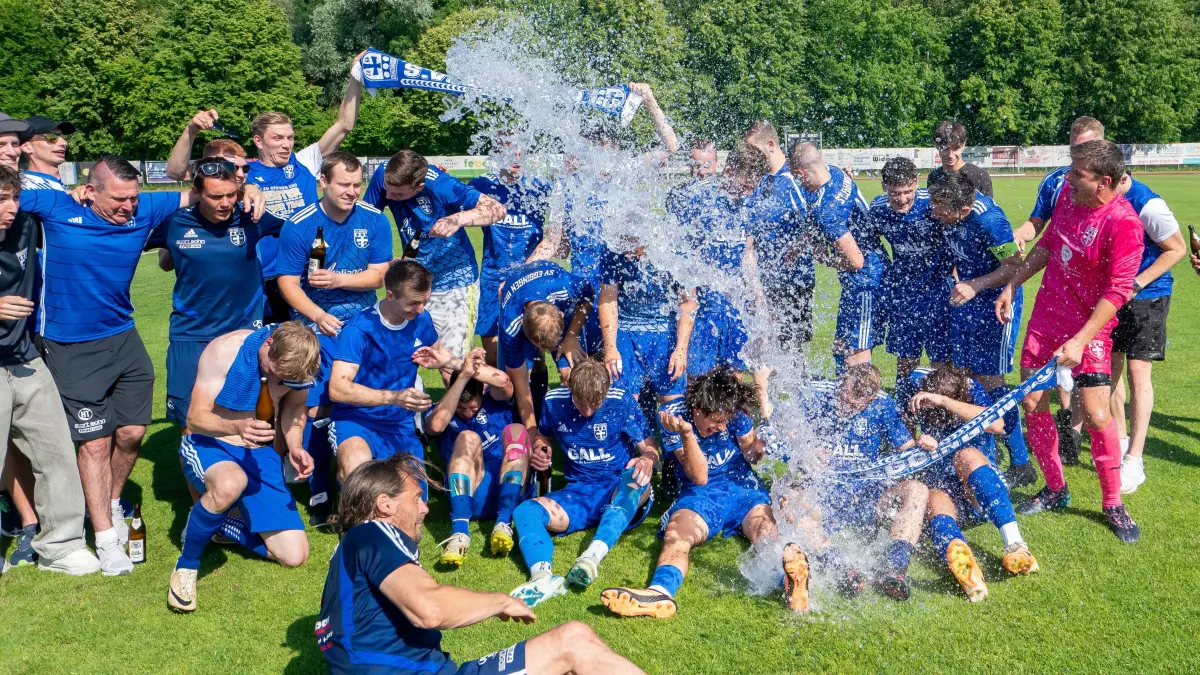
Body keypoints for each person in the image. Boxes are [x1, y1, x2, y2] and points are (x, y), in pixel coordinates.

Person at [18, 156, 263, 575]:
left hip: (124, 336)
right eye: (119, 199)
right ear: (89, 191)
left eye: (133, 198)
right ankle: (107, 540)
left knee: (131, 433)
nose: (129, 208)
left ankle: (112, 505)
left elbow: (202, 192)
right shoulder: (56, 206)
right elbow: (9, 200)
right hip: (69, 342)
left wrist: (251, 189)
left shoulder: (147, 208)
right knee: (95, 442)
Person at [316, 453, 646, 675]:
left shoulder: (346, 558)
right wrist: (501, 600)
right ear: (385, 505)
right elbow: (429, 608)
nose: (425, 510)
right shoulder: (373, 533)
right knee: (574, 642)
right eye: (416, 498)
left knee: (576, 636)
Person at [995, 139, 1145, 543]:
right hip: (1046, 320)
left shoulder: (1124, 224)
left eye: (1078, 172)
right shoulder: (1066, 196)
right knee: (1032, 401)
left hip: (1091, 330)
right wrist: (1012, 283)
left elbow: (1116, 293)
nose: (1068, 176)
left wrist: (1080, 340)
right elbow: (1046, 246)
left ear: (1104, 181)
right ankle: (1056, 489)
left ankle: (1113, 502)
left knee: (1097, 415)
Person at [166, 55, 364, 324]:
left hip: (309, 273)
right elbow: (176, 172)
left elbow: (345, 125)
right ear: (258, 141)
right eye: (278, 138)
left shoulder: (304, 162)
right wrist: (191, 131)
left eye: (290, 137)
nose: (287, 144)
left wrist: (355, 76)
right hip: (266, 279)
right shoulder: (239, 173)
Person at [601, 368, 811, 618]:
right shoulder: (673, 417)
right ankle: (659, 592)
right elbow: (699, 476)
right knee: (676, 535)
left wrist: (759, 445)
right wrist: (687, 433)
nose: (722, 428)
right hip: (701, 493)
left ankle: (790, 584)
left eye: (725, 421)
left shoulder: (735, 412)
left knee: (765, 531)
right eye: (716, 422)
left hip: (742, 488)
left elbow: (750, 456)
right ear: (697, 412)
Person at [169, 321, 320, 612]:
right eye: (273, 371)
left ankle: (214, 518)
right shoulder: (224, 351)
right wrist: (236, 425)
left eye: (285, 378)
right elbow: (194, 418)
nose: (276, 380)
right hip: (209, 442)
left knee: (294, 556)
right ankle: (186, 567)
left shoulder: (301, 364)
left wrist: (296, 446)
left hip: (258, 451)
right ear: (268, 343)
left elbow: (293, 407)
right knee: (230, 483)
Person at [277, 151, 392, 525]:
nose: (352, 191)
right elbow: (287, 283)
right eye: (344, 184)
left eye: (357, 184)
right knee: (315, 406)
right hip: (315, 326)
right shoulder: (300, 225)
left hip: (361, 325)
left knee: (358, 401)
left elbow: (379, 275)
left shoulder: (374, 220)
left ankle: (362, 486)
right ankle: (319, 493)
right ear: (323, 182)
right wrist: (318, 315)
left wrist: (340, 280)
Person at [0, 166, 100, 575]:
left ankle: (60, 546)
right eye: (0, 202)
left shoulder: (24, 223)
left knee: (55, 450)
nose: (10, 209)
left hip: (24, 358)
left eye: (13, 199)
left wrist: (77, 192)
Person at [328, 261, 509, 484]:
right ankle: (344, 490)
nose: (422, 309)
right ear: (391, 295)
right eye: (414, 302)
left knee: (412, 501)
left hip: (400, 424)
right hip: (357, 419)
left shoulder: (421, 319)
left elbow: (449, 363)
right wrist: (394, 397)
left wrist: (458, 365)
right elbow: (338, 389)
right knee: (358, 471)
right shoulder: (358, 330)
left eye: (426, 301)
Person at [146, 159, 286, 436]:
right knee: (190, 421)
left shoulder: (252, 218)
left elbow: (300, 233)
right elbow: (120, 229)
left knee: (247, 414)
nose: (225, 203)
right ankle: (196, 475)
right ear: (196, 194)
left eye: (230, 195)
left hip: (244, 334)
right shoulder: (174, 222)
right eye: (215, 196)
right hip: (191, 334)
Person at [509, 360, 659, 606]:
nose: (588, 412)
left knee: (635, 477)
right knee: (525, 510)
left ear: (606, 391)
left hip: (618, 487)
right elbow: (544, 436)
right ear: (570, 388)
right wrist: (541, 449)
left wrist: (647, 460)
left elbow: (650, 446)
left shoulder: (620, 400)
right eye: (581, 404)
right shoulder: (553, 401)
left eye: (595, 405)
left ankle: (590, 559)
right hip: (577, 492)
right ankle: (542, 577)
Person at [928, 171, 1035, 487]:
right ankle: (980, 448)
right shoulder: (946, 208)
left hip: (997, 302)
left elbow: (1016, 266)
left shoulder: (990, 221)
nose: (932, 209)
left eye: (939, 205)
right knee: (965, 375)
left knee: (991, 380)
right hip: (968, 298)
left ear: (962, 209)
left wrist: (976, 284)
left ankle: (1021, 462)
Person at [1011, 117, 1107, 466]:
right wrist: (1021, 232)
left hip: (1101, 299)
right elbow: (1040, 224)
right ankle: (1068, 428)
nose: (1076, 154)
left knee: (1103, 378)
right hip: (1059, 293)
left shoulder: (1116, 185)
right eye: (1073, 147)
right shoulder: (1056, 181)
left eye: (1084, 148)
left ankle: (1091, 432)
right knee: (1054, 373)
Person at [908, 367, 1039, 603]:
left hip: (982, 494)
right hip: (950, 497)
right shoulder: (920, 388)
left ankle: (1016, 545)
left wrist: (945, 402)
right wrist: (917, 444)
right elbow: (903, 438)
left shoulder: (972, 388)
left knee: (966, 455)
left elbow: (997, 424)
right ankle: (966, 569)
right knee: (933, 497)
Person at [805, 364, 934, 600]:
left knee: (917, 489)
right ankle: (841, 568)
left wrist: (923, 447)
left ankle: (893, 568)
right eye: (843, 397)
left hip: (869, 495)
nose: (845, 406)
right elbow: (783, 429)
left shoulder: (883, 406)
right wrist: (805, 450)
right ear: (842, 382)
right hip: (823, 495)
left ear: (871, 398)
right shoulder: (817, 395)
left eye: (855, 405)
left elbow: (907, 451)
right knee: (790, 499)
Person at [365, 149, 506, 364]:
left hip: (454, 282)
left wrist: (458, 219)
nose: (389, 197)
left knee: (451, 363)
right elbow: (367, 219)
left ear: (419, 186)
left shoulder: (442, 185)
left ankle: (481, 393)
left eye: (398, 194)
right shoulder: (383, 175)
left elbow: (497, 209)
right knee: (396, 355)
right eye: (387, 190)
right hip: (412, 280)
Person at [1108, 176, 1187, 493]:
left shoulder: (1149, 205)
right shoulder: (1104, 199)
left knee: (1138, 373)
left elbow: (1177, 249)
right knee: (1108, 369)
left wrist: (1136, 283)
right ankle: (1119, 439)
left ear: (1119, 178)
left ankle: (1135, 460)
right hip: (1112, 296)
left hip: (1148, 296)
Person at [425, 347, 528, 566]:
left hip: (510, 484)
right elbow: (434, 425)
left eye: (473, 407)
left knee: (517, 430)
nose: (468, 413)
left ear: (482, 391)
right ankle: (460, 534)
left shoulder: (495, 401)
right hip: (470, 491)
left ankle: (503, 524)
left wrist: (458, 365)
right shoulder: (442, 410)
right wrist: (461, 378)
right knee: (467, 436)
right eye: (462, 408)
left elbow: (502, 380)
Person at [871, 158, 953, 417]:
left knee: (941, 365)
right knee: (905, 363)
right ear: (884, 186)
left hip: (939, 295)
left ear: (917, 184)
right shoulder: (878, 210)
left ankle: (943, 419)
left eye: (908, 191)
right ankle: (905, 421)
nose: (902, 199)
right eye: (895, 193)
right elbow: (869, 243)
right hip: (904, 298)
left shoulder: (934, 204)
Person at [789, 143, 877, 371]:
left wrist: (825, 260)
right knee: (840, 348)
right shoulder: (835, 172)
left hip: (865, 280)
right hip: (858, 280)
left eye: (798, 180)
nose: (800, 185)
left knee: (857, 353)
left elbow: (856, 262)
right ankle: (845, 399)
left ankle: (864, 403)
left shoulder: (827, 210)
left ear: (802, 173)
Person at [497, 259, 599, 445]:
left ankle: (579, 429)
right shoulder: (511, 328)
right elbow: (521, 389)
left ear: (560, 313)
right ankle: (533, 422)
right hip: (518, 301)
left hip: (548, 289)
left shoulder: (565, 287)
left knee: (572, 374)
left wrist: (570, 337)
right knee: (512, 386)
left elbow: (589, 294)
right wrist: (532, 432)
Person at [467, 151, 551, 366]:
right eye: (507, 149)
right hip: (492, 276)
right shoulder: (482, 186)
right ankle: (502, 396)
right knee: (493, 349)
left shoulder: (539, 187)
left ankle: (531, 399)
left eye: (520, 151)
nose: (515, 157)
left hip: (530, 278)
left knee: (533, 348)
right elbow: (451, 198)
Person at [742, 122, 813, 354]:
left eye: (754, 149)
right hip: (763, 279)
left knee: (789, 349)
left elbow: (815, 222)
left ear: (770, 145)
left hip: (792, 282)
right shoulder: (761, 181)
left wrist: (795, 249)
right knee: (762, 347)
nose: (751, 155)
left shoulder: (794, 180)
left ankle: (798, 390)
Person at [598, 242, 696, 406]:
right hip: (625, 331)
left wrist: (681, 349)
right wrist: (610, 347)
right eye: (628, 247)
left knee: (674, 404)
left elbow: (688, 303)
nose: (632, 253)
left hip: (665, 330)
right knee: (623, 401)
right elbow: (608, 299)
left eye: (636, 248)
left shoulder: (674, 248)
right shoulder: (613, 248)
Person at [927, 120, 993, 198]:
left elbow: (988, 208)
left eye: (955, 148)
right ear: (937, 145)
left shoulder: (979, 176)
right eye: (945, 149)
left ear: (963, 145)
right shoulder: (934, 176)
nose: (950, 155)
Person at [19, 115, 73, 191]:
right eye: (51, 136)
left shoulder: (63, 188)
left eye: (63, 137)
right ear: (27, 147)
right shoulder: (22, 190)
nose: (64, 143)